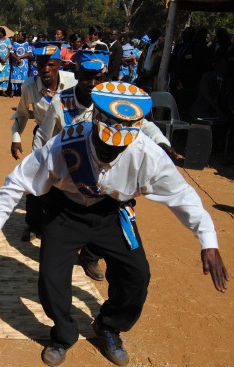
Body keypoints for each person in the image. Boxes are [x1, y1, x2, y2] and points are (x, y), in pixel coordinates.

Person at [0, 81, 229, 367]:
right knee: (52, 278)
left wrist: (208, 241)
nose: (109, 152)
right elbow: (19, 180)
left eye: (118, 148)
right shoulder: (66, 144)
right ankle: (63, 335)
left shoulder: (147, 154)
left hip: (112, 214)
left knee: (136, 275)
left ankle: (108, 326)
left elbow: (182, 196)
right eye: (104, 143)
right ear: (95, 123)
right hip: (64, 212)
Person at [34, 50, 177, 281]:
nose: (92, 83)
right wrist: (39, 167)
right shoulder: (61, 102)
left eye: (98, 78)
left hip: (109, 173)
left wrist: (161, 142)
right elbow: (44, 135)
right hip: (72, 175)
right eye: (86, 77)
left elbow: (145, 125)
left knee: (114, 214)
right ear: (78, 76)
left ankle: (91, 255)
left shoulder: (116, 99)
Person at [10, 41, 77, 241]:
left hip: (70, 138)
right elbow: (22, 114)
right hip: (43, 138)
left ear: (59, 65)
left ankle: (68, 227)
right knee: (35, 181)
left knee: (70, 182)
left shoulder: (73, 82)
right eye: (41, 64)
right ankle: (33, 224)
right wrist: (16, 137)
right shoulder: (29, 87)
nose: (46, 69)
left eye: (51, 64)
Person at [137, 28, 163, 92]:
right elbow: (141, 59)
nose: (150, 35)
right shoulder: (147, 46)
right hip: (143, 73)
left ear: (157, 35)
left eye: (152, 33)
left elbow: (157, 64)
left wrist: (147, 75)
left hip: (152, 77)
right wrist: (139, 71)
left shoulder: (160, 47)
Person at [9, 31, 29, 97]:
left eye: (19, 35)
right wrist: (16, 58)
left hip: (24, 64)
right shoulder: (14, 43)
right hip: (16, 63)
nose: (17, 36)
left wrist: (20, 57)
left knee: (23, 77)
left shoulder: (27, 44)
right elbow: (11, 52)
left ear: (23, 37)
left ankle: (22, 92)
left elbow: (28, 53)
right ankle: (13, 91)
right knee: (14, 75)